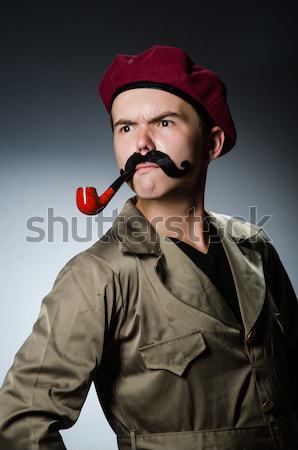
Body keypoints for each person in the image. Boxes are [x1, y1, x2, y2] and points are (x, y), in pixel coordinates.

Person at [0, 44, 297, 450]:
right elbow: (20, 427)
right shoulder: (97, 276)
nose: (141, 143)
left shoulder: (254, 246)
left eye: (163, 123)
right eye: (125, 127)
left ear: (211, 143)